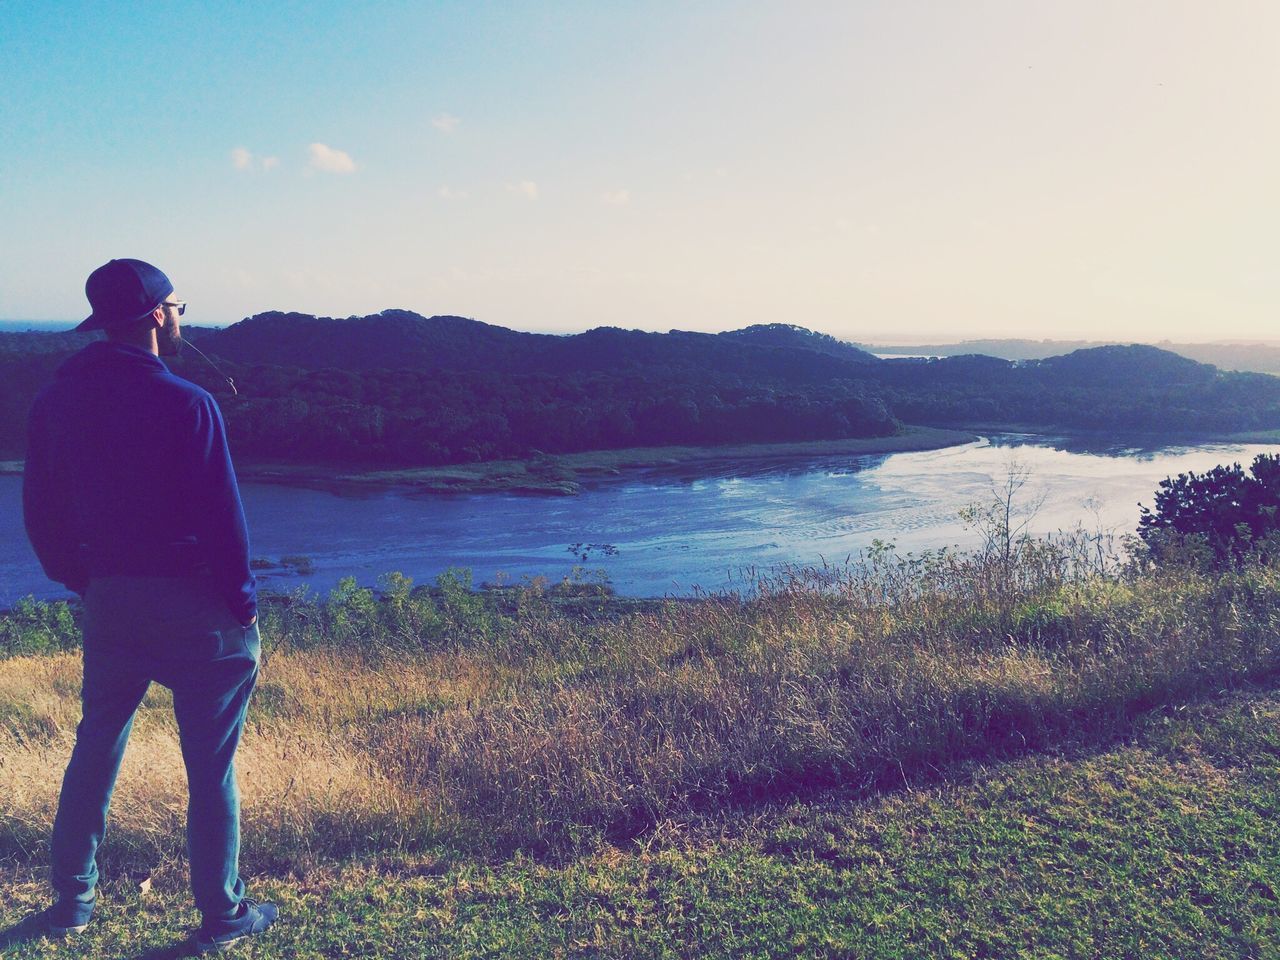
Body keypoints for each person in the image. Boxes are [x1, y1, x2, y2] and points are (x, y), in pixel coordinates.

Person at [22, 258, 278, 950]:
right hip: (195, 605)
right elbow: (225, 521)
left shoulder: (54, 401)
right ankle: (222, 915)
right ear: (160, 316)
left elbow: (39, 512)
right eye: (178, 308)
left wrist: (84, 578)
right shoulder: (188, 403)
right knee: (210, 767)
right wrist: (243, 604)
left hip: (110, 597)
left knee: (95, 747)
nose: (179, 318)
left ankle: (71, 904)